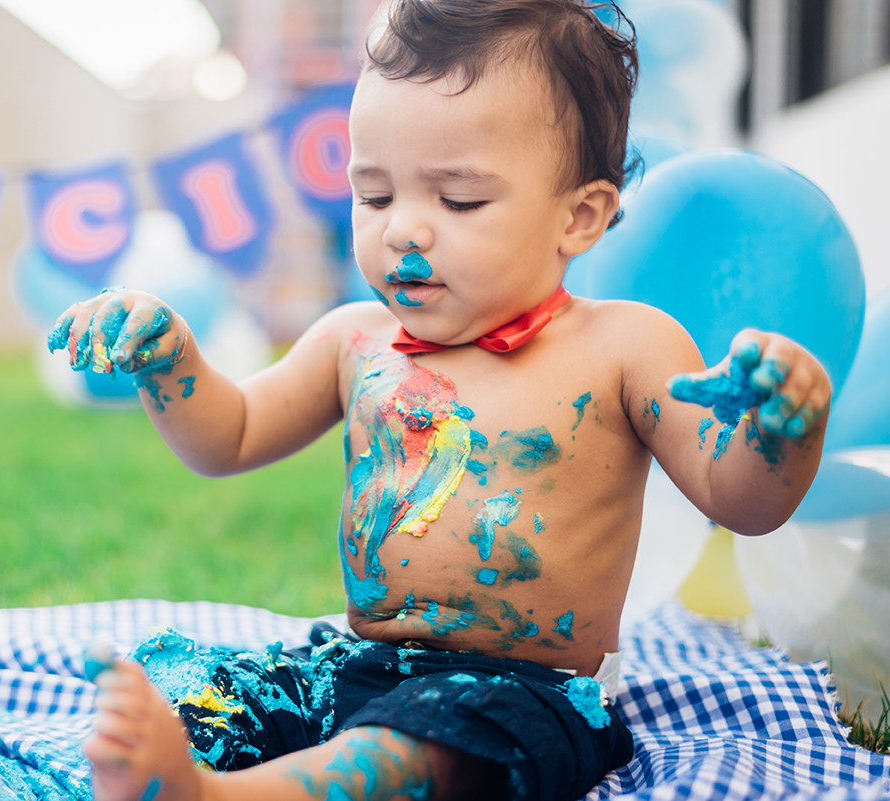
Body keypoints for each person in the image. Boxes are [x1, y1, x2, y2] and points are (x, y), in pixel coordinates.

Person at [48, 1, 831, 799]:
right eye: (375, 195)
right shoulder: (355, 340)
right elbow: (231, 436)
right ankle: (154, 764)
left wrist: (778, 433)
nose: (404, 232)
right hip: (365, 666)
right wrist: (172, 360)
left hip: (521, 696)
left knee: (414, 753)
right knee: (223, 688)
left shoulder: (624, 346)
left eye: (458, 201)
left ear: (580, 215)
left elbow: (738, 500)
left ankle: (218, 795)